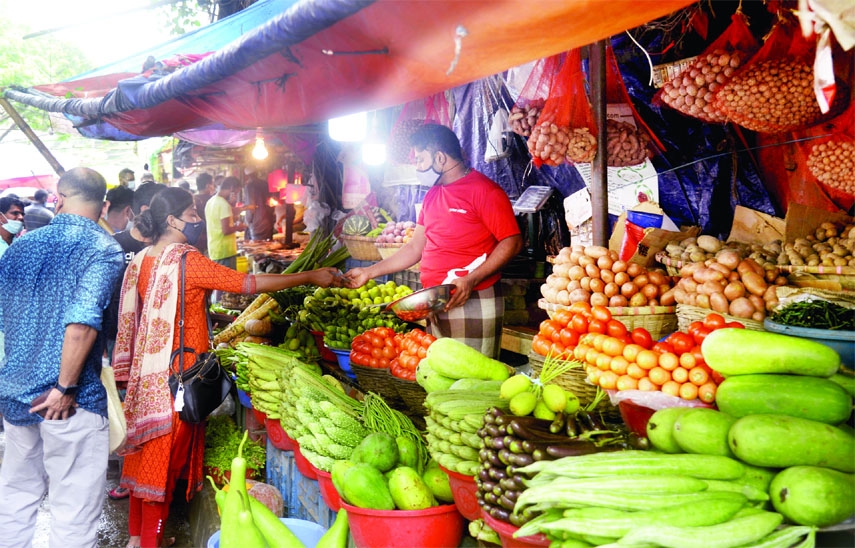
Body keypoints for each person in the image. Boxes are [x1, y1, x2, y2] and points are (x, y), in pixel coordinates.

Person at [112, 187, 342, 548]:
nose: (197, 220)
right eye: (190, 213)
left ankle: (137, 539)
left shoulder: (143, 258)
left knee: (143, 461)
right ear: (171, 220)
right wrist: (308, 277)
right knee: (163, 464)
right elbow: (247, 284)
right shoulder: (186, 260)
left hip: (149, 379)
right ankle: (148, 545)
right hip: (180, 378)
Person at [0, 167, 124, 548]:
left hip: (16, 393)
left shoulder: (20, 245)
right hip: (68, 400)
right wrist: (64, 386)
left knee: (16, 497)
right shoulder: (102, 249)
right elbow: (81, 325)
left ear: (58, 198)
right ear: (103, 205)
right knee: (73, 507)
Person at [346, 124, 522, 359]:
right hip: (435, 302)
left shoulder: (485, 191)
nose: (416, 167)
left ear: (440, 157)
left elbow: (512, 242)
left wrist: (470, 280)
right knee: (441, 377)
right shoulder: (432, 195)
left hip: (473, 298)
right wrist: (369, 272)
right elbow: (414, 248)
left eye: (420, 159)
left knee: (472, 382)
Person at [205, 176, 248, 270]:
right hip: (225, 251)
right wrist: (238, 227)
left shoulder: (211, 201)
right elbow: (226, 230)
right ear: (232, 188)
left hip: (214, 249)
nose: (235, 196)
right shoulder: (223, 204)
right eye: (236, 192)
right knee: (229, 283)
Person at [242, 169, 275, 241]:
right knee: (268, 246)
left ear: (247, 176)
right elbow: (272, 202)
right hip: (268, 221)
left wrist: (248, 221)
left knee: (257, 247)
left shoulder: (249, 186)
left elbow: (251, 206)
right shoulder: (265, 184)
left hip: (257, 222)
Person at [192, 172, 215, 255]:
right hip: (210, 240)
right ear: (207, 186)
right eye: (212, 184)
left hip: (195, 241)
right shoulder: (212, 200)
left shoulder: (192, 199)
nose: (214, 187)